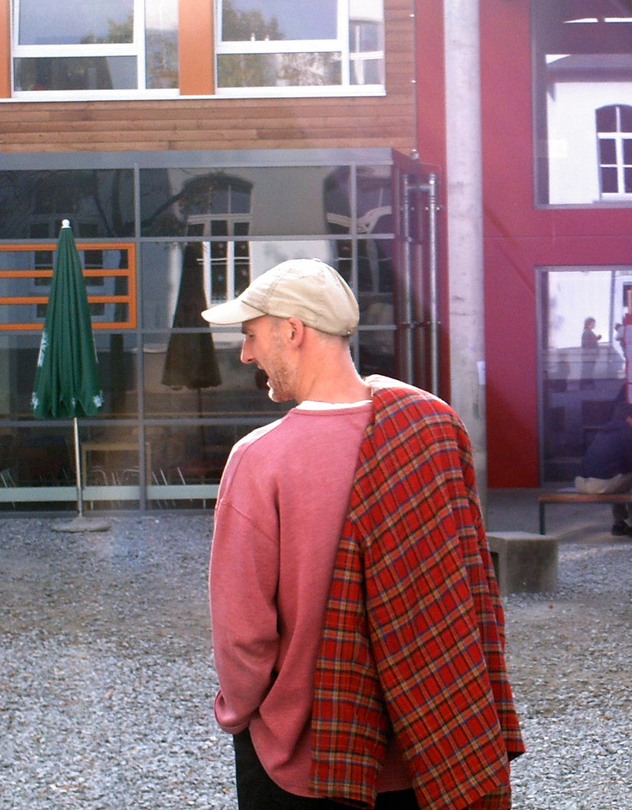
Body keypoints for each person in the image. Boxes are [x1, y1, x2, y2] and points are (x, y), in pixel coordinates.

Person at [202, 259, 523, 809]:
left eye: (251, 335)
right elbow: (475, 588)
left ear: (292, 331)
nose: (246, 355)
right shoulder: (434, 428)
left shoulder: (260, 460)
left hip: (309, 760)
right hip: (427, 746)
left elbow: (243, 636)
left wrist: (239, 713)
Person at [575, 400, 632, 536]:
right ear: (629, 418)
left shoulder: (604, 429)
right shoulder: (628, 432)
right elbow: (629, 465)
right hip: (598, 484)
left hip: (580, 482)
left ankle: (619, 523)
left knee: (618, 480)